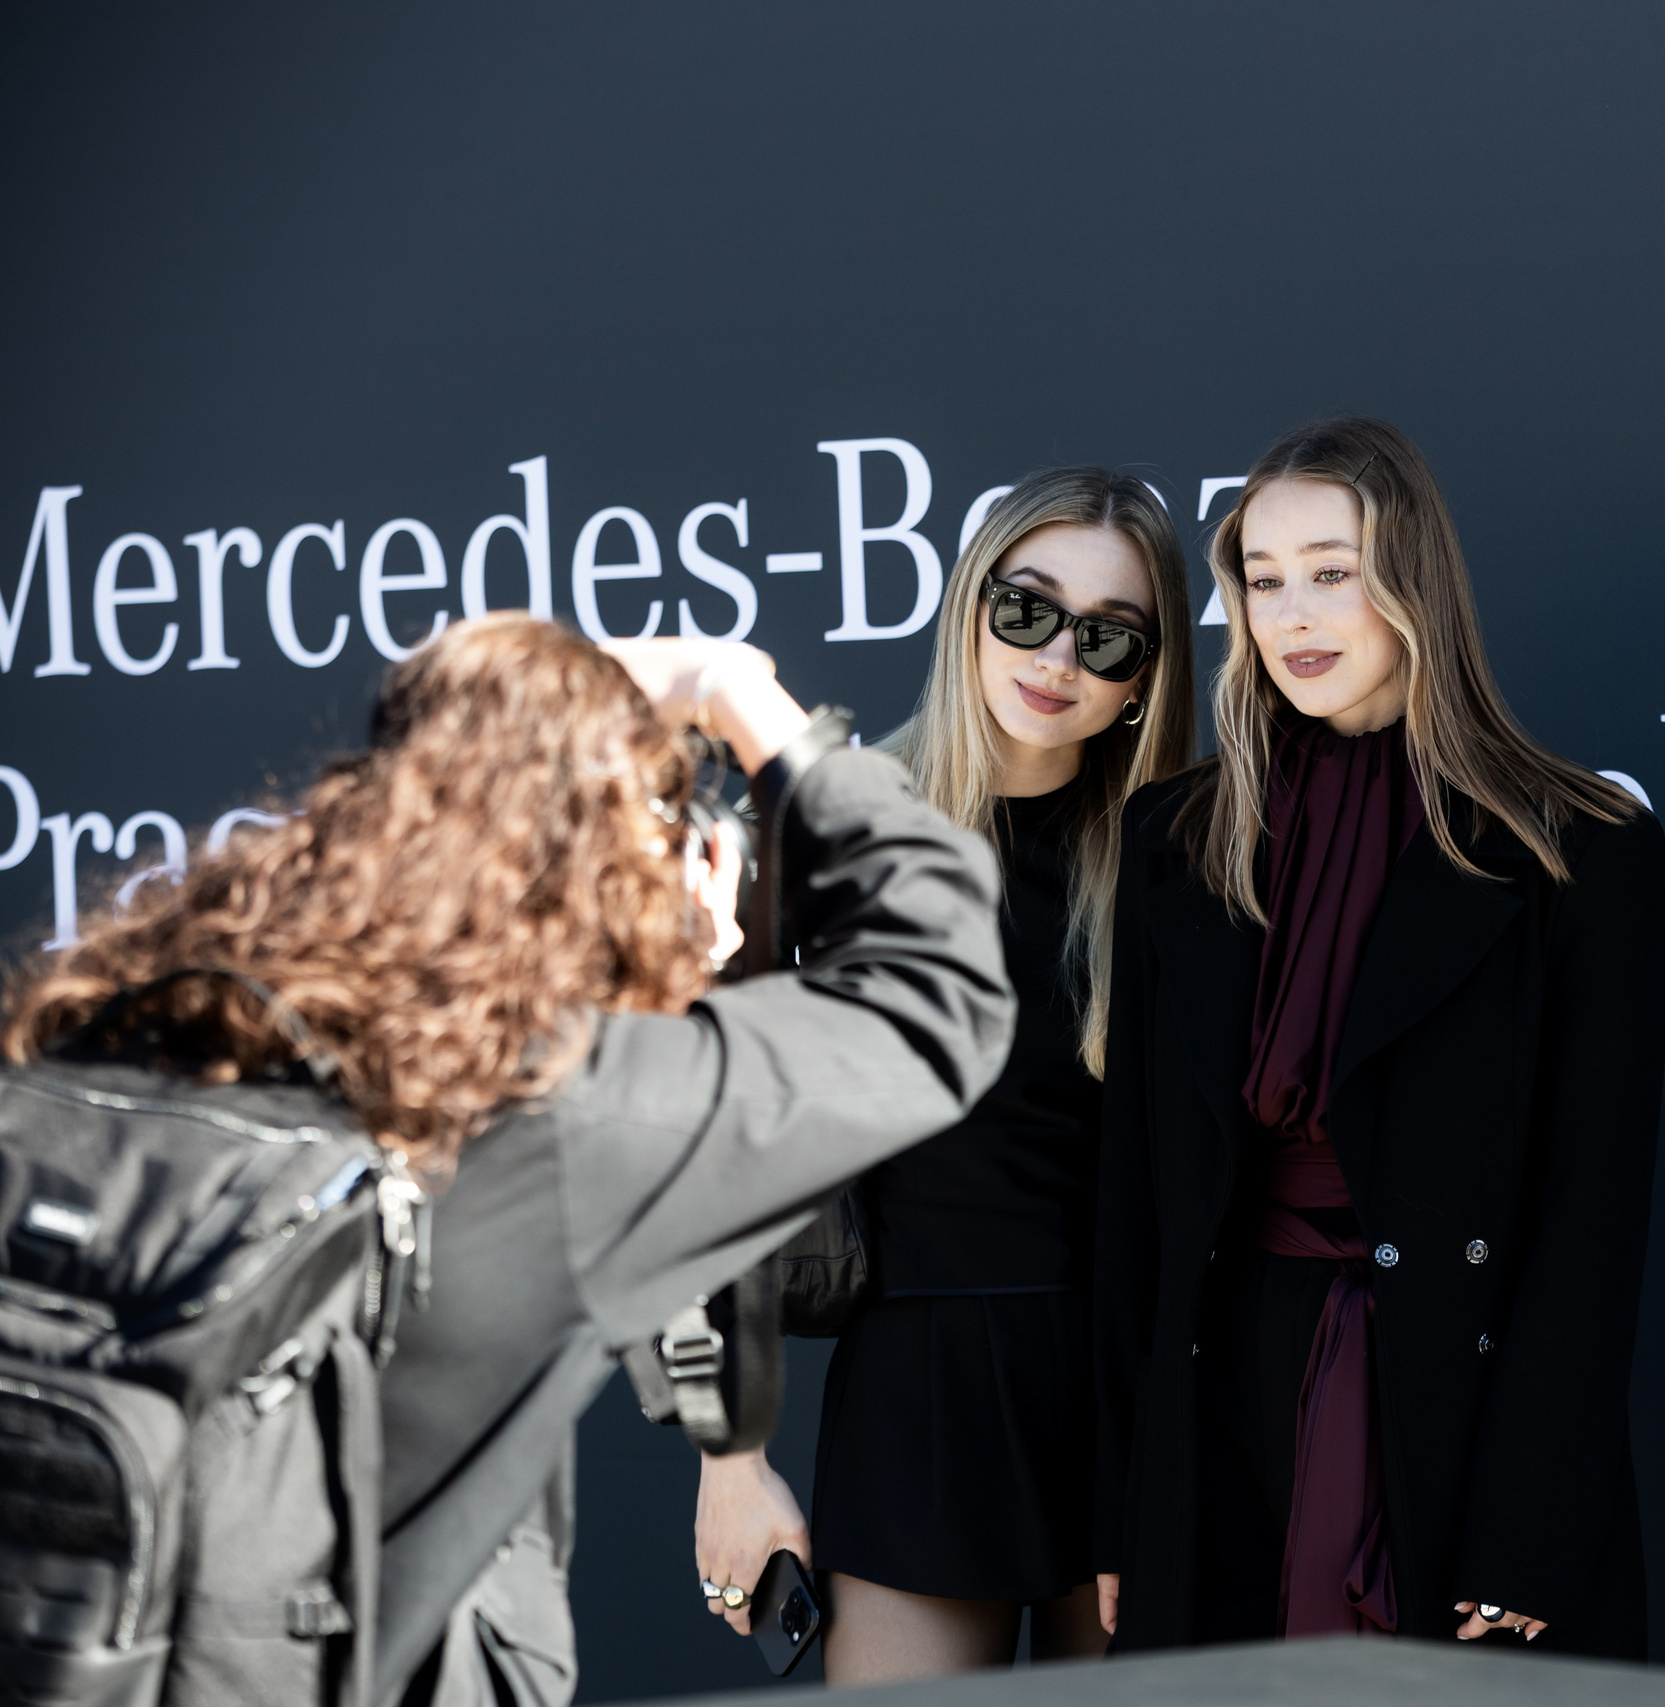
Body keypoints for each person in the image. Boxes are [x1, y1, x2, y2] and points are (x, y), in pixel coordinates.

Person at [0, 615, 1014, 1706]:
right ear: (630, 856)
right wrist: (734, 697)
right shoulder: (562, 1113)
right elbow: (938, 993)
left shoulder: (102, 1042)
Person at [1091, 418, 1665, 1656]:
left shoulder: (1579, 844)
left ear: (1412, 581)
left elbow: (1592, 1218)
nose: (1292, 613)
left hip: (1452, 1418)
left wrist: (1531, 1521)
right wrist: (1122, 1511)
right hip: (1218, 1419)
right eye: (1262, 577)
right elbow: (1135, 1198)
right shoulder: (1174, 841)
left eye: (1332, 571)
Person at [689, 470, 1196, 1683]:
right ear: (969, 604)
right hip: (918, 1395)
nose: (1057, 658)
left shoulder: (1181, 864)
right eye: (1026, 608)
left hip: (1135, 1401)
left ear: (1145, 678)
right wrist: (730, 1465)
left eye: (1108, 636)